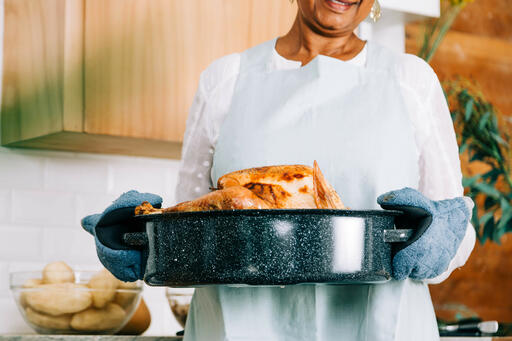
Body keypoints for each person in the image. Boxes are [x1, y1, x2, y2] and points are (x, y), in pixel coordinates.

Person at [82, 0, 476, 340]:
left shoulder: (412, 82)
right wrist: (144, 240)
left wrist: (438, 238)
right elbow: (195, 225)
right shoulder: (225, 81)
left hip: (377, 327)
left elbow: (456, 231)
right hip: (241, 327)